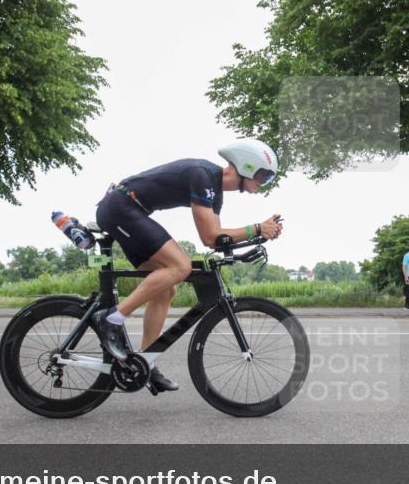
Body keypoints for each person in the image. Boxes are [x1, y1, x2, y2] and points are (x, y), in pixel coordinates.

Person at [93, 138, 283, 391]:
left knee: (167, 288)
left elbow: (216, 240)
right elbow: (209, 236)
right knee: (180, 267)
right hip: (121, 207)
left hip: (129, 211)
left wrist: (257, 235)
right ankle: (111, 319)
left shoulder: (214, 191)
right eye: (263, 176)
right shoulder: (203, 176)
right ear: (247, 166)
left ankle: (146, 361)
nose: (263, 183)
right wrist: (257, 228)